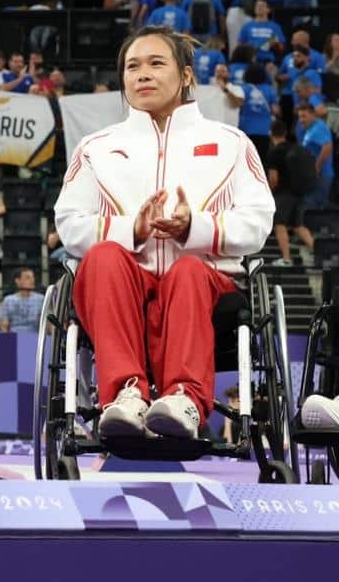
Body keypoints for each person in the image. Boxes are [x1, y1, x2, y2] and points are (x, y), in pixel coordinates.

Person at [54, 25, 274, 440]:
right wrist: (130, 229)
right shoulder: (95, 148)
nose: (142, 74)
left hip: (204, 287)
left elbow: (259, 220)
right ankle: (126, 396)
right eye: (132, 66)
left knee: (187, 270)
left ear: (187, 75)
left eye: (157, 63)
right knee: (102, 256)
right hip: (121, 289)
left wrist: (196, 227)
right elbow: (69, 222)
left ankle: (185, 400)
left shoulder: (231, 142)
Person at [264, 120, 316, 267]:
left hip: (284, 194)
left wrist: (267, 192)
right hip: (299, 192)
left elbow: (273, 179)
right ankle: (318, 255)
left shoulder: (274, 152)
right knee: (298, 226)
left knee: (280, 224)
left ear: (270, 134)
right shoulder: (295, 148)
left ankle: (286, 259)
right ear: (285, 134)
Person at [296, 102, 333, 210]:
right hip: (314, 175)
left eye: (304, 116)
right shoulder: (310, 129)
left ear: (313, 115)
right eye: (299, 117)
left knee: (314, 209)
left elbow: (327, 147)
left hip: (321, 176)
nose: (301, 120)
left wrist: (316, 168)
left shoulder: (319, 127)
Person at [238, 0, 286, 65]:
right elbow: (239, 45)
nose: (259, 8)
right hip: (250, 61)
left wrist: (275, 44)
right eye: (257, 6)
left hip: (268, 61)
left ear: (268, 10)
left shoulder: (275, 27)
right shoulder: (247, 26)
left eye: (262, 6)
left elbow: (281, 48)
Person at [0, 268, 42, 332]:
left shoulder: (41, 299)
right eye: (28, 278)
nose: (32, 280)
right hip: (14, 337)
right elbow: (4, 326)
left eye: (33, 277)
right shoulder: (8, 300)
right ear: (17, 281)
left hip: (36, 337)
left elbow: (46, 324)